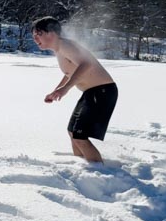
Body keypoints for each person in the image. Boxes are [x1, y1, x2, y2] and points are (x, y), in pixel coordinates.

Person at [31, 16, 118, 163]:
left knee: (79, 135)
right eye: (33, 36)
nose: (35, 39)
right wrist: (57, 90)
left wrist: (65, 89)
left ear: (51, 33)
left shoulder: (65, 46)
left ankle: (99, 172)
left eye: (37, 34)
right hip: (92, 93)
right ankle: (82, 166)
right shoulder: (60, 50)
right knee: (73, 132)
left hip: (102, 91)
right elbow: (70, 72)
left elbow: (86, 64)